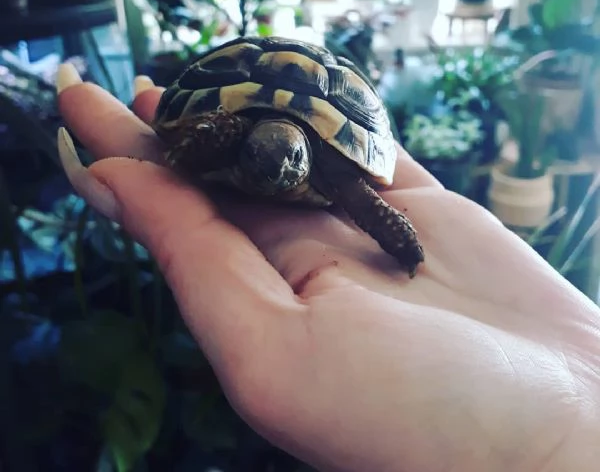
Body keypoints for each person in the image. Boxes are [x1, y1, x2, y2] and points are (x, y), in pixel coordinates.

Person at [55, 62, 600, 472]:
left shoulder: (334, 169)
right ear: (243, 148)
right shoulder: (234, 138)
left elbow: (363, 198)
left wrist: (401, 240)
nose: (277, 172)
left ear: (307, 157)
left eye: (289, 163)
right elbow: (186, 143)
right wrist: (192, 148)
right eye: (258, 159)